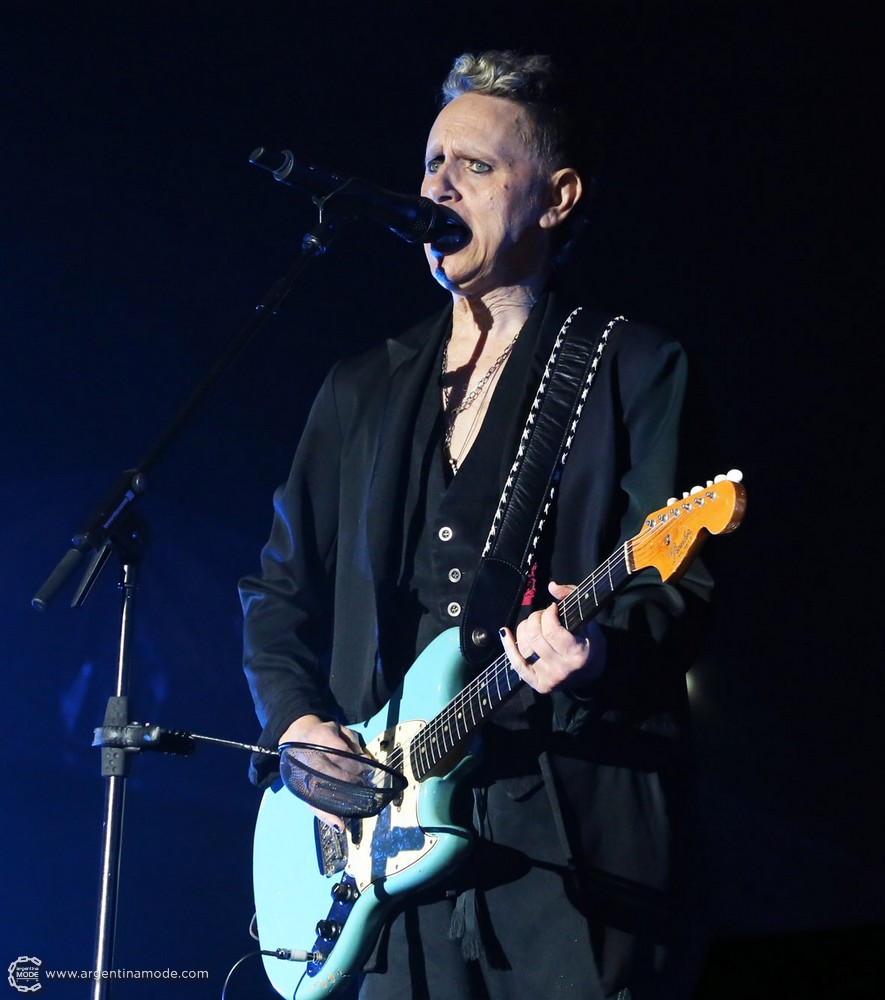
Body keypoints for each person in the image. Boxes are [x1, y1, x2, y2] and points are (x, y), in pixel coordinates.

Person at [240, 49, 711, 999]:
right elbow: (279, 592)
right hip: (381, 853)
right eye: (431, 164)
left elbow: (687, 588)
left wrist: (601, 653)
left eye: (477, 166)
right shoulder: (360, 389)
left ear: (557, 197)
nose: (438, 188)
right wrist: (297, 725)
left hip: (570, 851)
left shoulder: (633, 366)